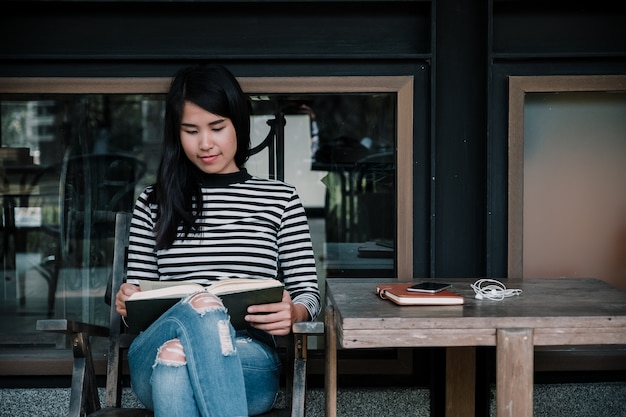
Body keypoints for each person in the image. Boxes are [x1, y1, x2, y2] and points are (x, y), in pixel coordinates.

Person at [114, 63, 321, 417]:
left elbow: (307, 293)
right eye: (191, 130)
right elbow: (137, 298)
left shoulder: (280, 200)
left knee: (177, 360)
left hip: (247, 359)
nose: (205, 143)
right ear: (176, 134)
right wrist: (127, 299)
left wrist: (293, 312)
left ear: (238, 124)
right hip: (154, 352)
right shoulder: (153, 202)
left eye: (217, 127)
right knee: (202, 309)